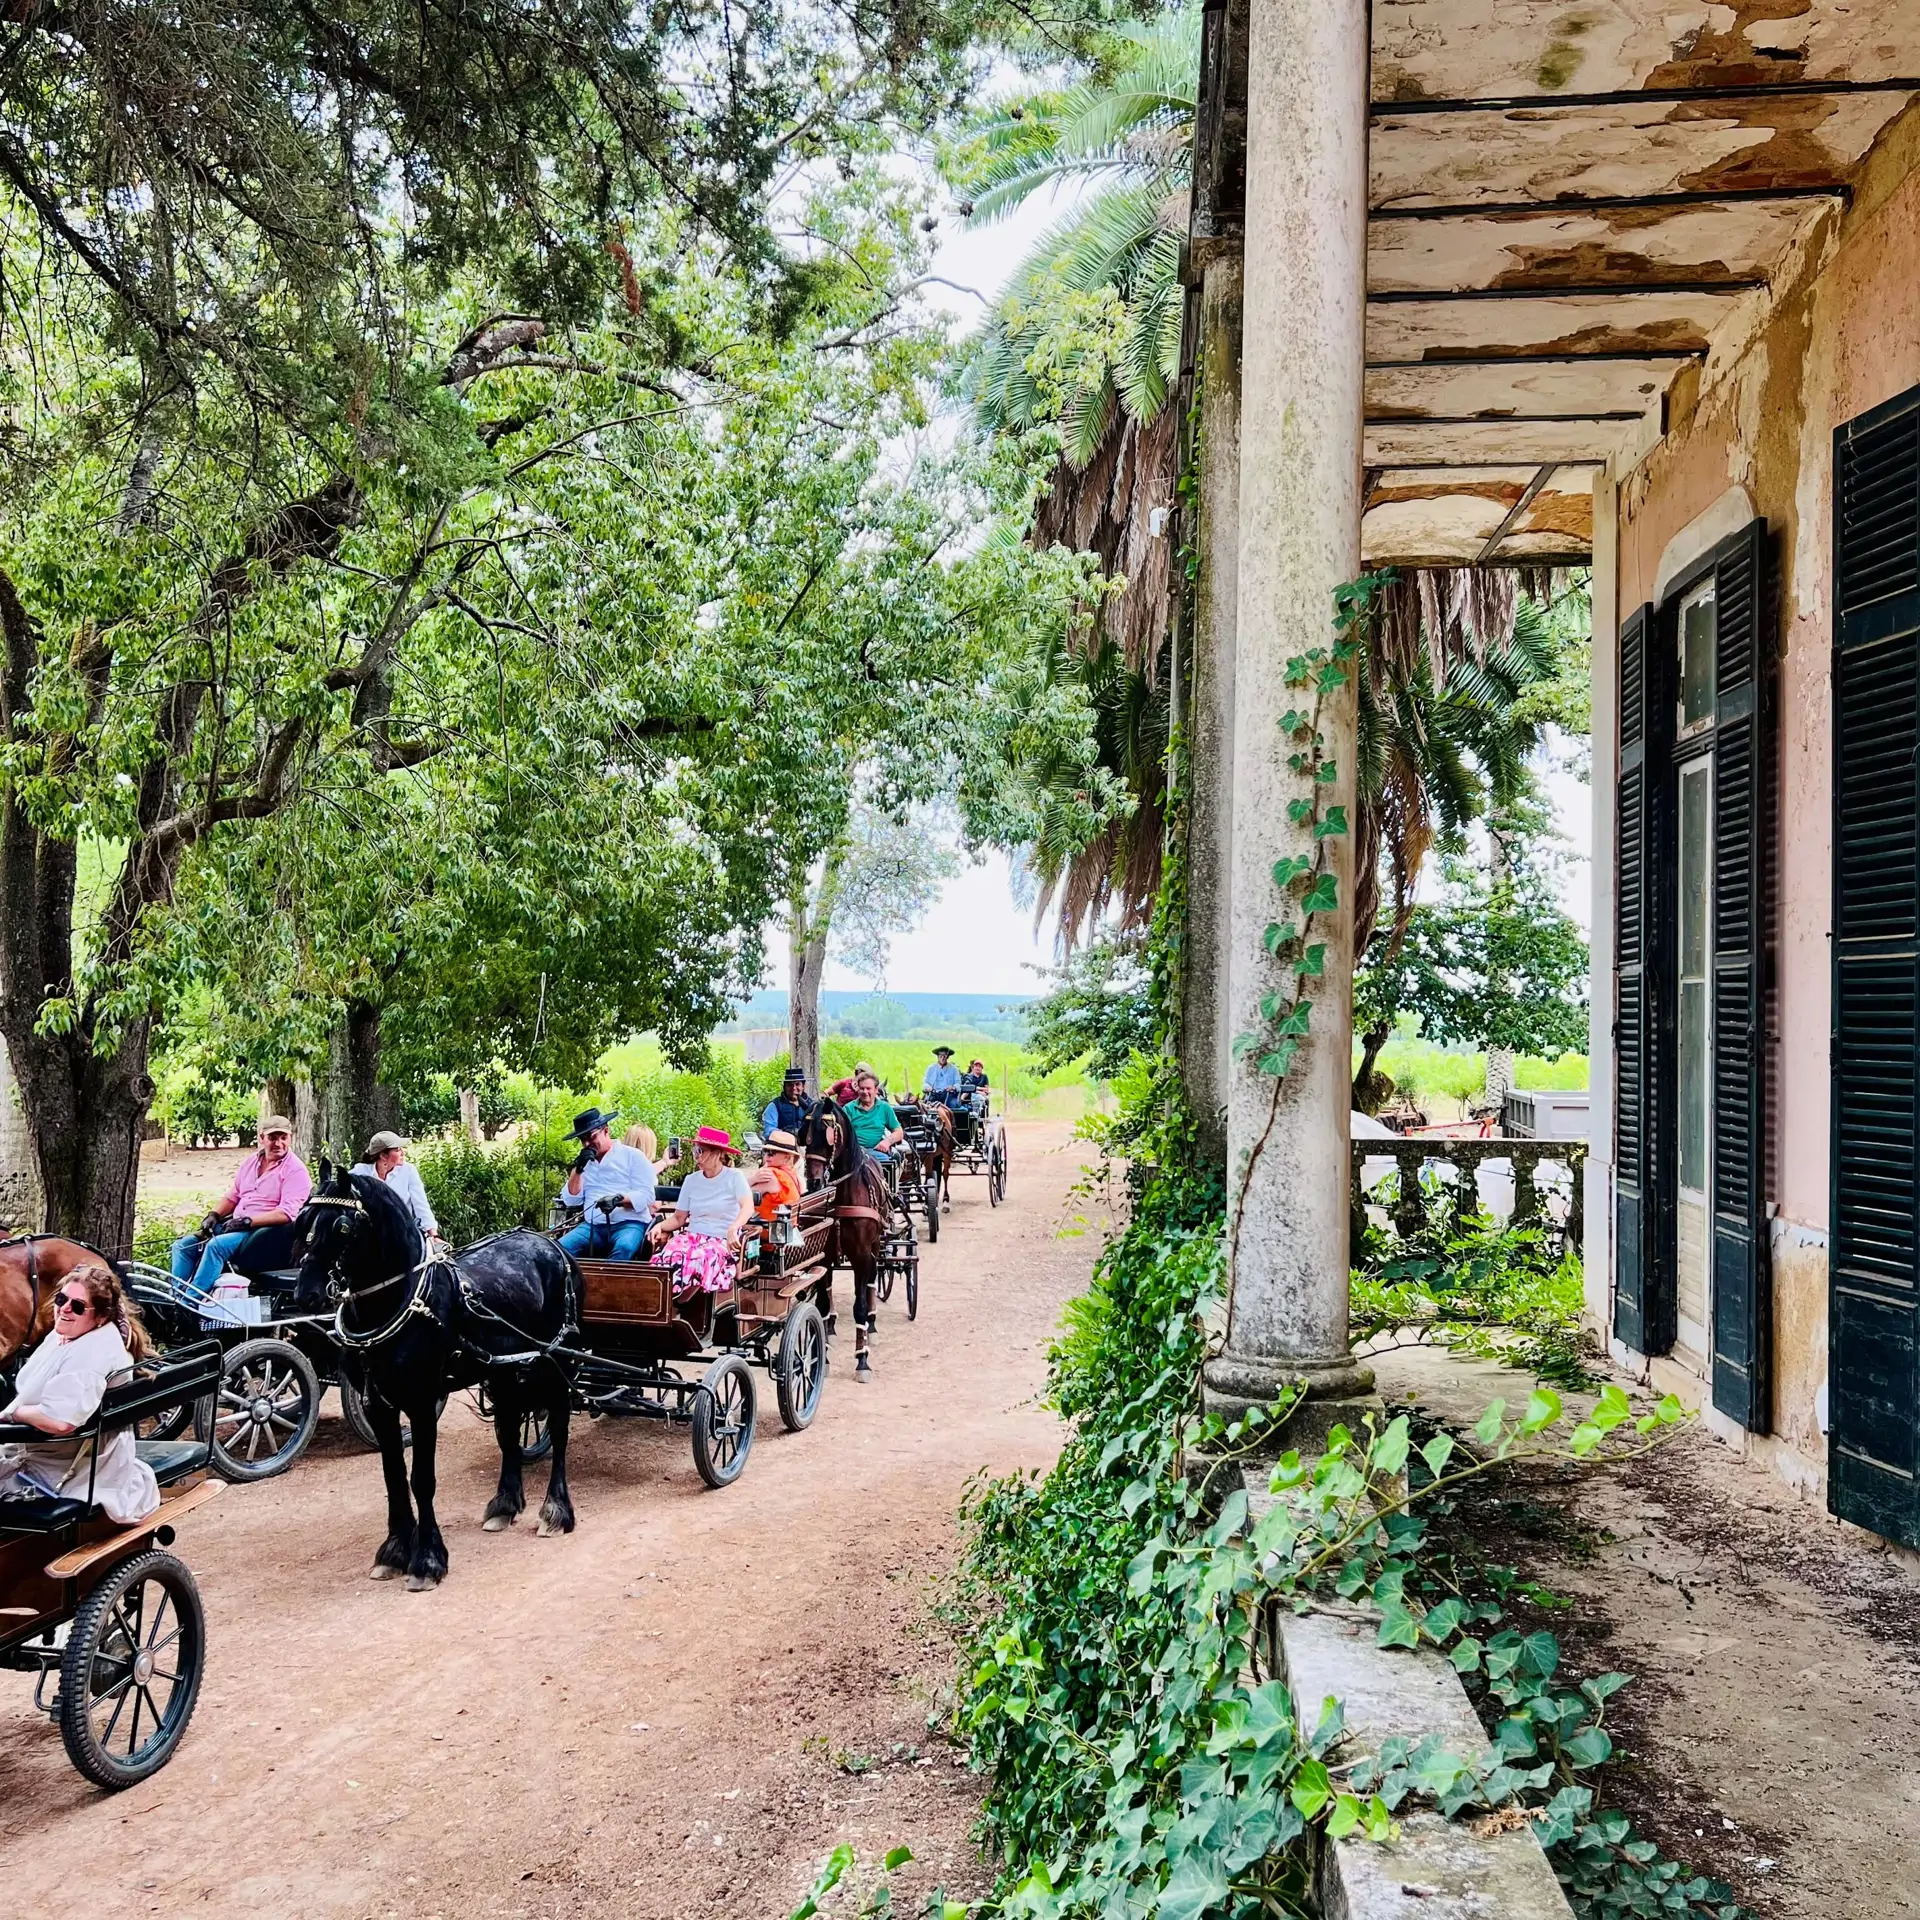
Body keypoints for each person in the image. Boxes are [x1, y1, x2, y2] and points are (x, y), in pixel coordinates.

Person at [0, 1263, 159, 1524]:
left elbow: (61, 1422)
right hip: (54, 1448)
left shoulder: (92, 1353)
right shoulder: (70, 1334)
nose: (64, 1308)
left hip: (64, 1462)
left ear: (100, 1317)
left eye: (77, 1306)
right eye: (62, 1299)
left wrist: (14, 1414)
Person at [170, 1115, 313, 1300]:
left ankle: (190, 1301)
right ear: (262, 1138)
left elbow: (287, 1213)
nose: (278, 1143)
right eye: (273, 1138)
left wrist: (247, 1222)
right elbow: (234, 1195)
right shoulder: (251, 1162)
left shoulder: (296, 1171)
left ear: (290, 1138)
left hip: (263, 1233)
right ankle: (175, 1297)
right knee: (182, 1246)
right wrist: (214, 1214)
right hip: (236, 1225)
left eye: (283, 1137)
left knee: (216, 1247)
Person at [649, 1127, 753, 1294]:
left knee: (700, 1257)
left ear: (718, 1153)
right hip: (693, 1236)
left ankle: (683, 1303)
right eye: (694, 1150)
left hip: (721, 1238)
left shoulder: (734, 1177)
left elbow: (748, 1206)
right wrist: (660, 1226)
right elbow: (678, 1218)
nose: (696, 1156)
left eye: (700, 1151)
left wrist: (734, 1227)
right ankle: (665, 1303)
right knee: (671, 1254)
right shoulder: (691, 1180)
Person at [556, 1106, 657, 1261]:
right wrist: (578, 1168)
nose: (587, 1144)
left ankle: (609, 1285)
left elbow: (647, 1196)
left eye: (591, 1137)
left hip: (629, 1223)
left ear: (606, 1131)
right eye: (582, 1140)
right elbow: (571, 1200)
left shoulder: (633, 1156)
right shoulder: (585, 1163)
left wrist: (618, 1200)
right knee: (558, 1251)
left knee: (624, 1248)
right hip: (593, 1226)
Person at [351, 1130, 441, 1240]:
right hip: (370, 1235)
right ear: (383, 1155)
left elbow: (421, 1204)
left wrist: (433, 1234)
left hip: (404, 1234)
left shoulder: (408, 1171)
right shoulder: (359, 1172)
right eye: (398, 1149)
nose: (403, 1153)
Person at [846, 1064, 905, 1159]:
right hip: (852, 1153)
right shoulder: (849, 1108)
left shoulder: (885, 1108)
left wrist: (886, 1142)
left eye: (868, 1088)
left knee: (886, 1162)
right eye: (862, 1088)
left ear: (876, 1090)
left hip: (876, 1152)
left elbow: (899, 1132)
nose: (865, 1092)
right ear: (858, 1089)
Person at [748, 1129, 805, 1223]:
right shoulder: (793, 1175)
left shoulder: (771, 1175)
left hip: (770, 1231)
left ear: (786, 1157)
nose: (767, 1156)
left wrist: (751, 1179)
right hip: (786, 1229)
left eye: (772, 1153)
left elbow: (741, 1196)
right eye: (765, 1151)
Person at [761, 1066, 810, 1138]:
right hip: (782, 1146)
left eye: (797, 1084)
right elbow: (769, 1131)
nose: (793, 1088)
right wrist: (787, 1134)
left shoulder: (812, 1105)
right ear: (784, 1087)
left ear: (803, 1086)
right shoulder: (774, 1105)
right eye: (790, 1085)